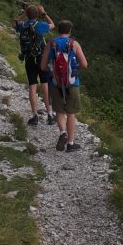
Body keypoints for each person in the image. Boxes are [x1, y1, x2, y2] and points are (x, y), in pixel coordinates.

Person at [41, 20, 88, 152]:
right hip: (72, 82)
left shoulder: (51, 43)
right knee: (71, 113)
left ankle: (63, 133)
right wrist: (74, 67)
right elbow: (84, 64)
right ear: (70, 31)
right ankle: (71, 144)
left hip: (55, 83)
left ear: (58, 31)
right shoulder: (74, 44)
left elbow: (43, 67)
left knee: (59, 111)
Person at [14, 4, 55, 126]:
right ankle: (50, 115)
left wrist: (24, 14)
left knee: (32, 86)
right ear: (37, 15)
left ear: (27, 14)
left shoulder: (22, 25)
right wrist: (44, 13)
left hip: (29, 59)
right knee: (45, 86)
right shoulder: (40, 25)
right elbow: (53, 25)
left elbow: (15, 23)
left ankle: (34, 115)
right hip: (42, 58)